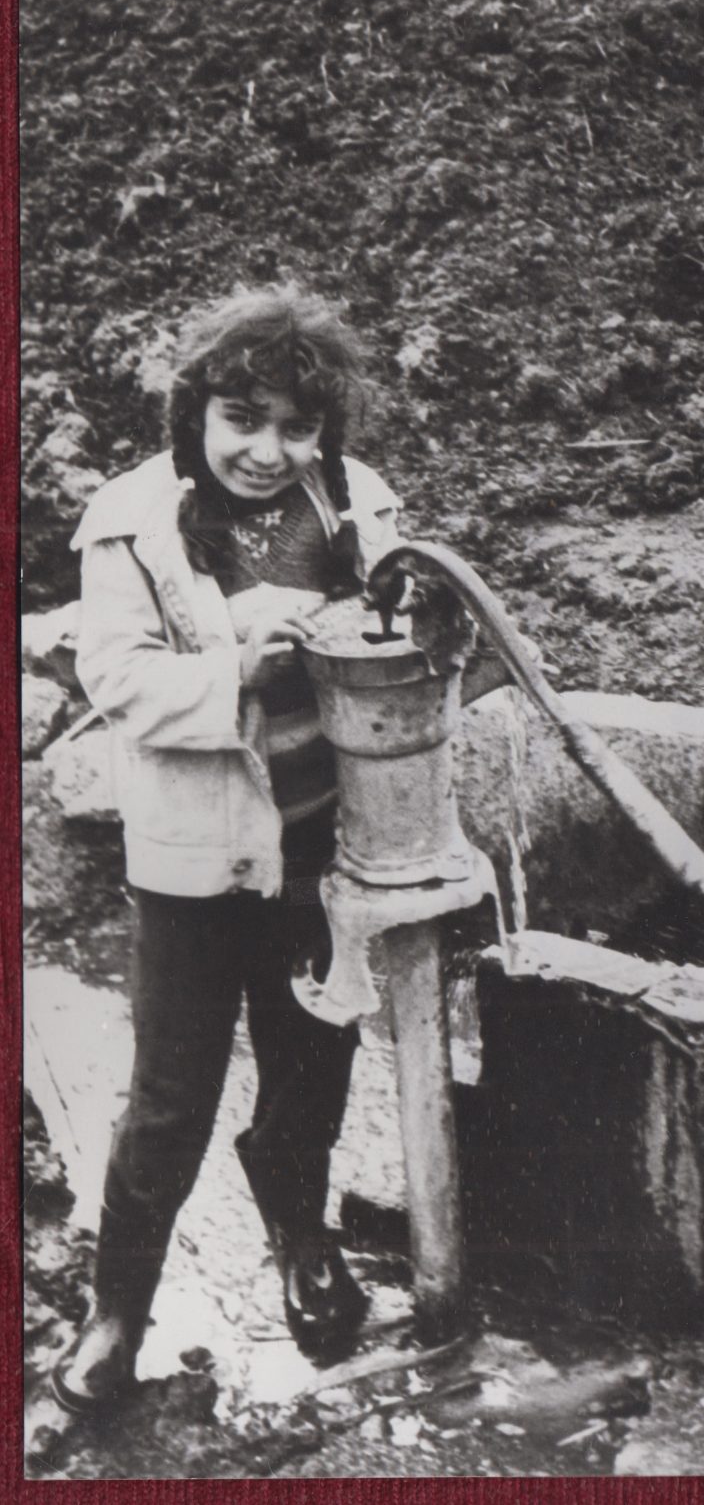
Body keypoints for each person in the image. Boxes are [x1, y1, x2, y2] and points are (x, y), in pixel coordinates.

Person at [42, 286, 404, 1420]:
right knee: (169, 1095)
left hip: (316, 845)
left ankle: (302, 1238)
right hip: (193, 862)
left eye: (297, 425)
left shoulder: (352, 505)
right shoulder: (132, 520)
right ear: (196, 411)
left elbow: (411, 618)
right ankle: (119, 1309)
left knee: (311, 1067)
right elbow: (118, 676)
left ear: (326, 429)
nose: (267, 449)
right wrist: (236, 668)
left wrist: (404, 616)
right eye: (241, 417)